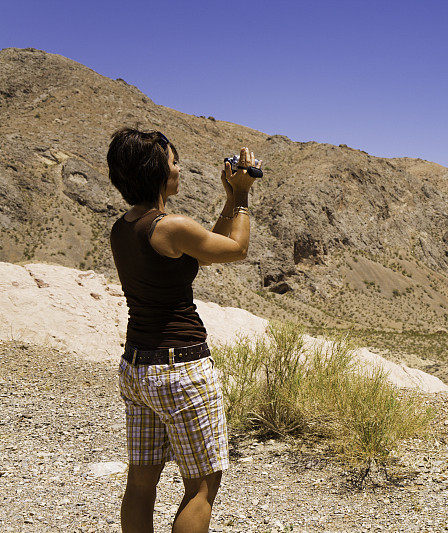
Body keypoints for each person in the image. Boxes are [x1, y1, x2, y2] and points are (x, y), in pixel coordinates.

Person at [107, 127, 259, 533]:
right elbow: (236, 250)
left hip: (138, 368)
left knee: (141, 484)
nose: (179, 168)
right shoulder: (171, 225)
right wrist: (243, 195)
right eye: (174, 162)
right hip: (181, 370)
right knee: (201, 488)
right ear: (157, 171)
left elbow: (203, 250)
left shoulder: (124, 227)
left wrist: (228, 199)